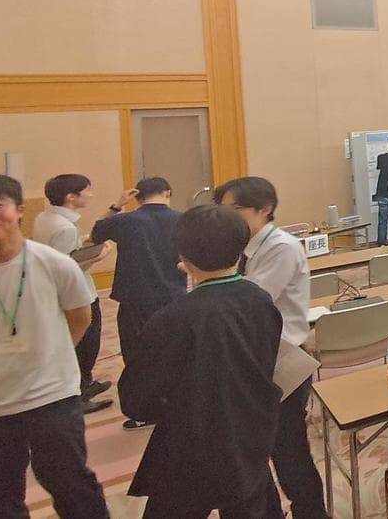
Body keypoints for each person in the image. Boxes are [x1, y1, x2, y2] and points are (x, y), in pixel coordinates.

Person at [119, 204, 282, 519]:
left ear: (184, 257)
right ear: (241, 248)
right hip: (248, 436)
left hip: (187, 447)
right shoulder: (260, 300)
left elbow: (136, 401)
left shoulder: (170, 319)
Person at [0, 175, 110, 519]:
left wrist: (51, 358)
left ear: (19, 210)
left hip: (52, 395)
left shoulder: (54, 264)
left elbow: (80, 317)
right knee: (1, 494)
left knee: (69, 482)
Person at [213, 177, 328, 519]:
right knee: (253, 449)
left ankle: (312, 513)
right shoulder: (245, 247)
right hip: (255, 358)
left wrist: (210, 275)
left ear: (265, 209)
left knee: (289, 450)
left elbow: (250, 301)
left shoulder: (281, 247)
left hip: (282, 359)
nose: (226, 218)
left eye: (234, 210)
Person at [91, 176, 183, 430]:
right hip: (174, 296)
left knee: (137, 356)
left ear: (137, 197)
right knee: (175, 351)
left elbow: (96, 233)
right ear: (168, 192)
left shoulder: (126, 220)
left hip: (135, 299)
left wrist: (117, 205)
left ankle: (146, 410)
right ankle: (177, 402)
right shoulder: (183, 218)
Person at [31, 174, 112, 414]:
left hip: (57, 291)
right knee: (87, 345)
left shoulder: (45, 217)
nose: (90, 195)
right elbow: (68, 267)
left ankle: (85, 384)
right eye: (87, 190)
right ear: (71, 197)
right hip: (77, 293)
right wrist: (99, 256)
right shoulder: (64, 227)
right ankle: (80, 393)